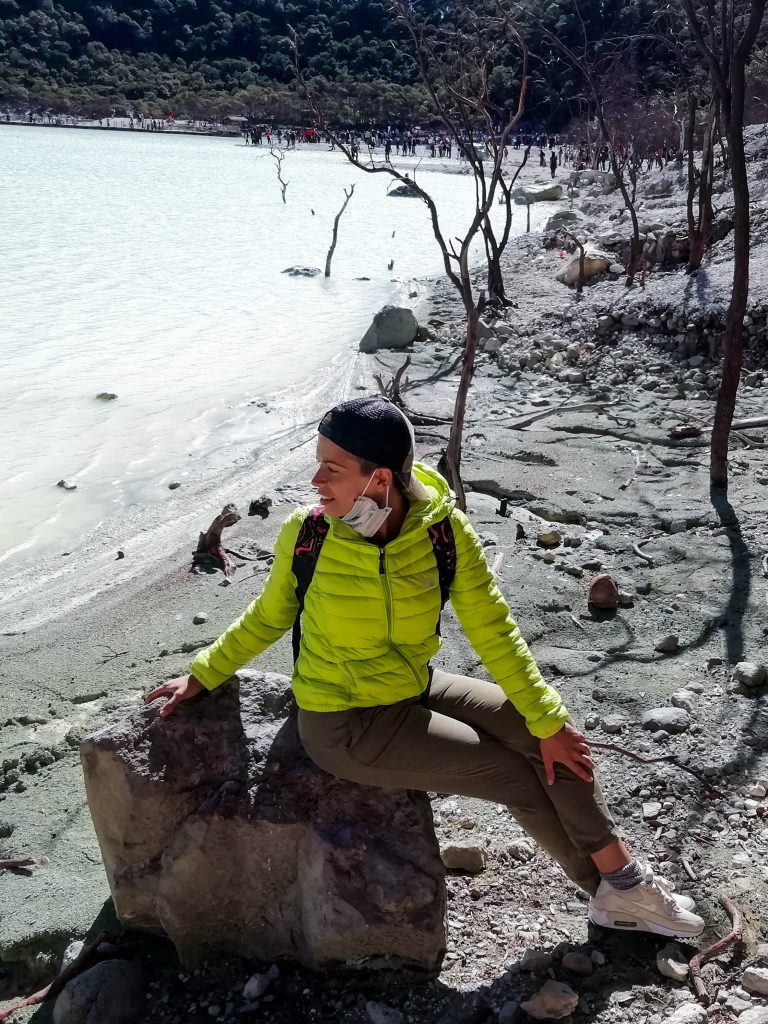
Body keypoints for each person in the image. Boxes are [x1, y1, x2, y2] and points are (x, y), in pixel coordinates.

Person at [146, 397, 704, 941]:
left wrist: (547, 718)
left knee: (551, 735)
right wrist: (204, 674)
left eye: (331, 469)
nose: (316, 481)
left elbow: (493, 629)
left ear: (380, 478)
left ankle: (624, 882)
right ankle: (610, 893)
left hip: (411, 687)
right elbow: (268, 617)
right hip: (344, 723)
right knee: (512, 774)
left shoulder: (441, 531)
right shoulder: (309, 534)